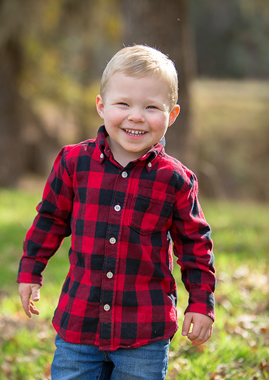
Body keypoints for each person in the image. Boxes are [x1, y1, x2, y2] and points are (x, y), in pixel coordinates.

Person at [17, 45, 216, 380]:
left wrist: (200, 303)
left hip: (144, 332)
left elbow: (195, 245)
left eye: (151, 107)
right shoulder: (73, 163)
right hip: (80, 323)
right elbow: (49, 220)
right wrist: (30, 270)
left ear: (172, 115)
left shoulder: (175, 179)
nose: (136, 116)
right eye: (123, 103)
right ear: (101, 106)